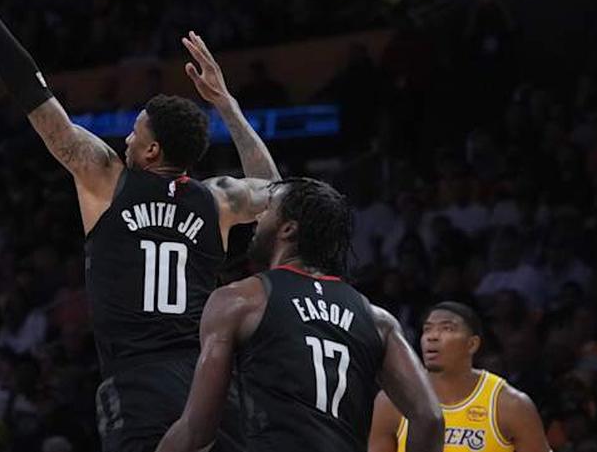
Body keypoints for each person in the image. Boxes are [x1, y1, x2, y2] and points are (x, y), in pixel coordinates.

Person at [0, 0, 280, 452]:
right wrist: (228, 106)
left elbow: (33, 93)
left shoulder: (104, 177)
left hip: (139, 384)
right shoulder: (217, 199)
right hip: (213, 384)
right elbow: (274, 191)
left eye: (135, 130)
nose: (126, 137)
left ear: (150, 150)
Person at [155, 178, 445, 452]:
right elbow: (430, 418)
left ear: (288, 229)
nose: (257, 217)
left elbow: (197, 430)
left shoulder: (239, 301)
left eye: (267, 209)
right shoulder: (377, 319)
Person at [369, 302, 550, 452]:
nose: (433, 337)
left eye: (447, 328)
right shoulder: (391, 401)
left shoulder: (511, 405)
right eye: (428, 330)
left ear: (472, 344)